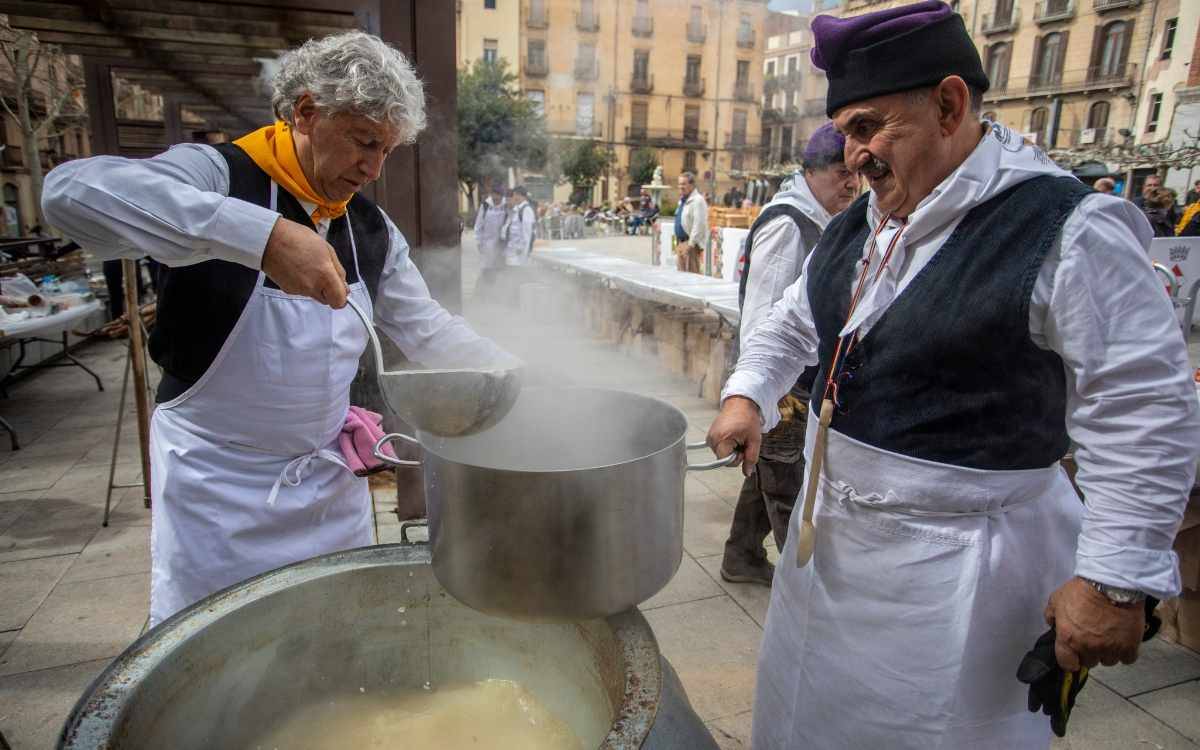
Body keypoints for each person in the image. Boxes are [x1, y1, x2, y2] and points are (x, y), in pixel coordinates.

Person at [704, 3, 1200, 747]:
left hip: (956, 581)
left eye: (869, 127)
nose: (855, 155)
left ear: (949, 104)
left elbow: (1142, 408)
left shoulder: (1067, 230)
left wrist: (1112, 582)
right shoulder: (861, 221)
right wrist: (749, 392)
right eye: (845, 132)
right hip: (832, 570)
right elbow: (792, 320)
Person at [42, 31, 512, 627]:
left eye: (387, 150)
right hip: (216, 490)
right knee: (219, 651)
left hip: (323, 484)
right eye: (364, 142)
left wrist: (518, 373)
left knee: (332, 642)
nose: (372, 167)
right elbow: (69, 194)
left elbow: (430, 330)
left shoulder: (369, 228)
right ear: (307, 112)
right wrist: (261, 238)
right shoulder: (216, 174)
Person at [720, 122, 859, 586]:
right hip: (787, 387)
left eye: (854, 172)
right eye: (841, 171)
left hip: (795, 380)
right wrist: (763, 395)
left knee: (769, 468)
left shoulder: (817, 219)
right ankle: (804, 586)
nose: (851, 183)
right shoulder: (788, 225)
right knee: (787, 482)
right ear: (811, 171)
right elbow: (764, 320)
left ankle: (740, 556)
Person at [473, 182, 507, 287]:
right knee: (486, 270)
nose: (496, 198)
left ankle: (497, 292)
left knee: (500, 270)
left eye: (499, 196)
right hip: (487, 245)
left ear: (502, 196)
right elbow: (478, 226)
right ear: (491, 194)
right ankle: (484, 292)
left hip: (501, 245)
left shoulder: (506, 206)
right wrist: (479, 242)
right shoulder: (486, 206)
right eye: (494, 195)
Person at [674, 172, 709, 273]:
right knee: (681, 276)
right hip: (681, 243)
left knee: (691, 277)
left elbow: (699, 224)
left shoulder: (698, 200)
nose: (680, 187)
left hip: (690, 245)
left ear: (692, 185)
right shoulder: (683, 200)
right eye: (679, 184)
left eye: (683, 184)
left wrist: (691, 244)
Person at [503, 185, 536, 266]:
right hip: (513, 250)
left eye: (514, 195)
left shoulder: (526, 210)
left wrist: (523, 251)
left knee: (516, 275)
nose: (513, 197)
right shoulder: (518, 209)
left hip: (519, 253)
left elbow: (527, 233)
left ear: (519, 195)